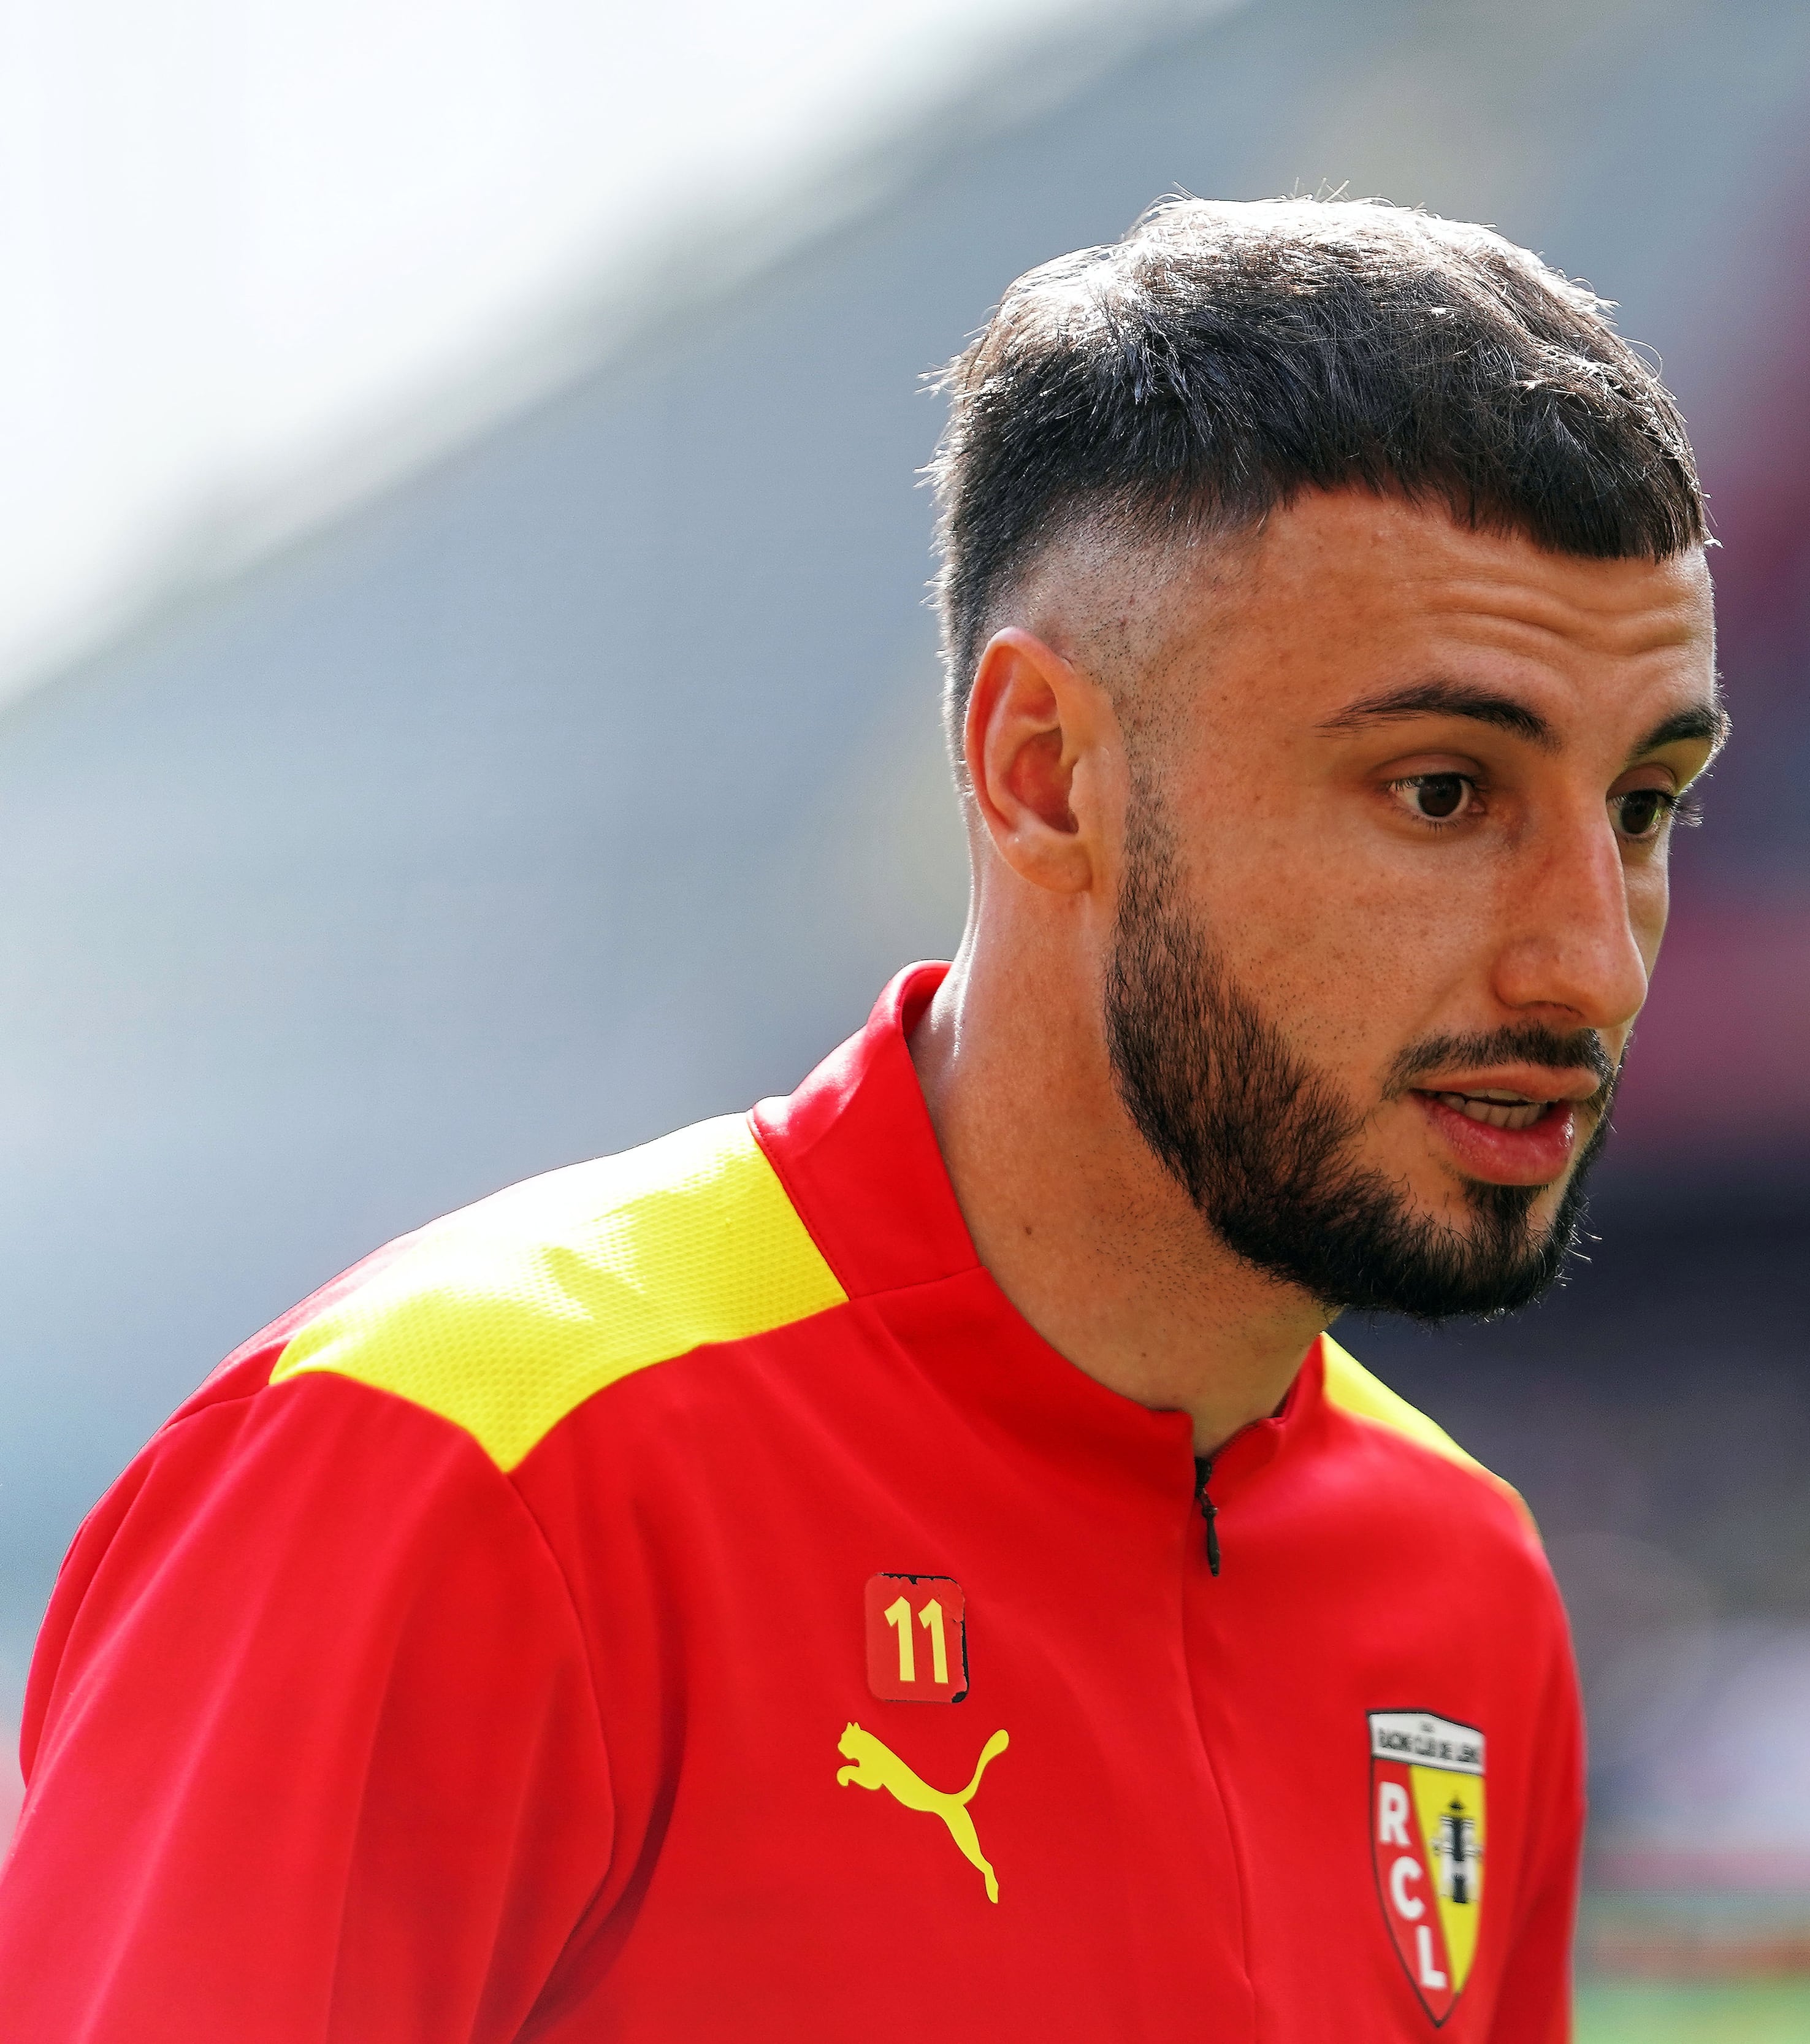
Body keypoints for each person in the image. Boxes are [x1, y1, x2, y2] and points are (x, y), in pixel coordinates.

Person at [0, 196, 1721, 2040]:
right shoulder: (461, 1477)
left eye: (1641, 806)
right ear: (1044, 773)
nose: (1591, 965)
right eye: (1446, 793)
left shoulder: (1462, 1591)